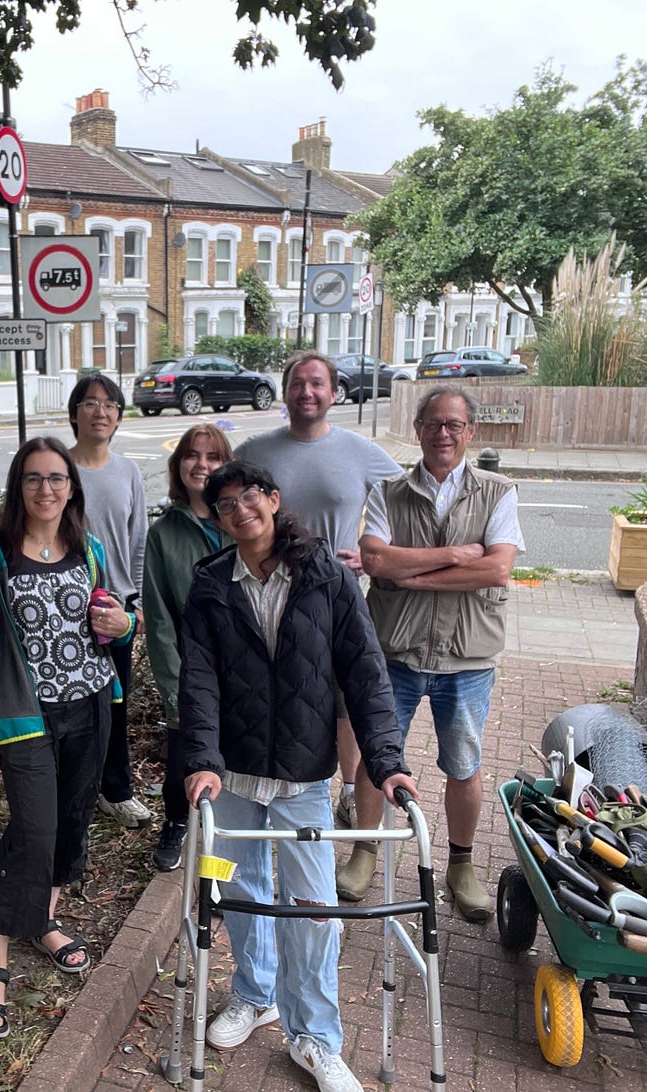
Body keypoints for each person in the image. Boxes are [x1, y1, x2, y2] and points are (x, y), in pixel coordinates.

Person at [178, 460, 415, 1092]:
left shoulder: (326, 576)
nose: (240, 511)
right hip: (232, 777)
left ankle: (314, 1038)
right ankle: (254, 995)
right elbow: (198, 681)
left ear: (274, 500)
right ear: (217, 517)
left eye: (249, 497)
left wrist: (387, 761)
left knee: (312, 911)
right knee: (239, 891)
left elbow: (364, 672)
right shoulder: (210, 584)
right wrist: (201, 759)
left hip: (303, 776)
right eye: (225, 504)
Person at [0, 437, 135, 1038]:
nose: (46, 489)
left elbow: (114, 621)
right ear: (18, 487)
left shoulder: (89, 549)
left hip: (91, 707)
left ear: (72, 488)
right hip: (24, 718)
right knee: (34, 831)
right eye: (33, 478)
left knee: (73, 820)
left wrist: (124, 624)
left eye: (57, 478)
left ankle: (44, 919)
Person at [352, 385, 524, 921]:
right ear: (418, 430)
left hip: (466, 659)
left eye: (453, 425)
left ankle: (461, 865)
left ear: (470, 432)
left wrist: (414, 573)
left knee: (464, 766)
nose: (443, 433)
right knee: (376, 757)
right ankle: (364, 851)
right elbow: (375, 560)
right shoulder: (388, 492)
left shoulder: (499, 492)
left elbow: (497, 568)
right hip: (395, 653)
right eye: (433, 424)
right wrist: (455, 556)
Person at [235, 350, 400, 856]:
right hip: (268, 596)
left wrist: (373, 553)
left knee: (345, 698)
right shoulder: (255, 451)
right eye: (297, 384)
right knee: (283, 693)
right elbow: (224, 505)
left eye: (316, 383)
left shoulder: (359, 450)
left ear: (333, 392)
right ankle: (284, 788)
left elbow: (405, 498)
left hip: (335, 597)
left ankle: (349, 789)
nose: (306, 392)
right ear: (285, 392)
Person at [141, 423, 233, 871]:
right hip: (190, 669)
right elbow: (158, 618)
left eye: (213, 457)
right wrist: (175, 689)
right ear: (179, 464)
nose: (202, 465)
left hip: (243, 666)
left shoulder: (241, 520)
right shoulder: (164, 533)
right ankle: (177, 821)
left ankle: (230, 831)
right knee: (184, 751)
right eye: (193, 455)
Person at [67, 374, 152, 829]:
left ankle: (115, 791)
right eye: (90, 403)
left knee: (115, 702)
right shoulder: (59, 468)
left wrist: (136, 604)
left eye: (110, 404)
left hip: (114, 609)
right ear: (74, 413)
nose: (100, 411)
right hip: (62, 608)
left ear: (119, 417)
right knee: (68, 705)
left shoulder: (128, 472)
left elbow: (138, 542)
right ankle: (70, 790)